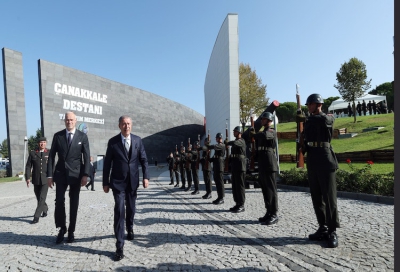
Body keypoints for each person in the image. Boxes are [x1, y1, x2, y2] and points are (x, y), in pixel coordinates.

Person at [103, 115, 149, 261]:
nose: (126, 126)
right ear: (119, 126)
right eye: (124, 124)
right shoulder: (113, 142)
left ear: (132, 125)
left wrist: (146, 177)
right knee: (119, 210)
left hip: (133, 182)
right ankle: (119, 245)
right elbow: (107, 164)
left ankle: (130, 227)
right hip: (117, 183)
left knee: (131, 208)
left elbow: (144, 160)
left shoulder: (137, 140)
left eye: (128, 124)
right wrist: (105, 182)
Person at [299, 94, 339, 248]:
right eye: (308, 104)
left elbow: (325, 121)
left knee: (329, 197)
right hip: (313, 158)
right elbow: (305, 138)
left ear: (318, 104)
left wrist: (305, 119)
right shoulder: (308, 121)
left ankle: (332, 230)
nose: (308, 107)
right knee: (316, 196)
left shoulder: (326, 117)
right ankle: (322, 227)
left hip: (325, 157)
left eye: (310, 104)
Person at [47, 111, 90, 244]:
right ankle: (62, 228)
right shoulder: (58, 136)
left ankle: (71, 231)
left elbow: (87, 157)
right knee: (59, 201)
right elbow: (51, 156)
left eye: (71, 120)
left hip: (76, 175)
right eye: (67, 120)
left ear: (75, 121)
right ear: (64, 121)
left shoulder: (82, 136)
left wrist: (85, 175)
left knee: (74, 203)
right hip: (60, 174)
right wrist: (49, 175)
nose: (69, 122)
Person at [251, 113, 279, 225]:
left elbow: (264, 136)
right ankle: (268, 211)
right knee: (265, 189)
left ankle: (274, 214)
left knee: (271, 190)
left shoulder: (271, 131)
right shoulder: (261, 133)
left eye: (264, 119)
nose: (262, 120)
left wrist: (254, 135)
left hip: (270, 163)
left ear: (269, 120)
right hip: (263, 162)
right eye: (262, 119)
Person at [25, 137, 50, 224]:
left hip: (45, 180)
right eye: (40, 142)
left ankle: (36, 216)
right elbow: (28, 166)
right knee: (39, 197)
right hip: (35, 179)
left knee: (42, 197)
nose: (42, 144)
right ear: (38, 144)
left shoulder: (49, 153)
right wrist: (27, 178)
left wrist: (52, 177)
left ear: (46, 143)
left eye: (43, 142)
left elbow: (52, 166)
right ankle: (45, 208)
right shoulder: (33, 153)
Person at [224, 126, 246, 213]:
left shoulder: (241, 141)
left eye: (235, 131)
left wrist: (228, 142)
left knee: (240, 186)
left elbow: (235, 143)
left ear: (239, 132)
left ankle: (241, 204)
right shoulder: (235, 142)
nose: (234, 132)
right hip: (235, 166)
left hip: (240, 166)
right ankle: (237, 203)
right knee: (235, 186)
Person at [205, 133, 225, 204]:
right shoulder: (218, 146)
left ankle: (221, 197)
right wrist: (208, 157)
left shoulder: (221, 145)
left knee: (220, 182)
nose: (216, 139)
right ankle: (219, 197)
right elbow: (214, 158)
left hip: (220, 166)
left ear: (219, 138)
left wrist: (208, 146)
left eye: (216, 138)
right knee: (217, 182)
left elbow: (214, 146)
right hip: (216, 165)